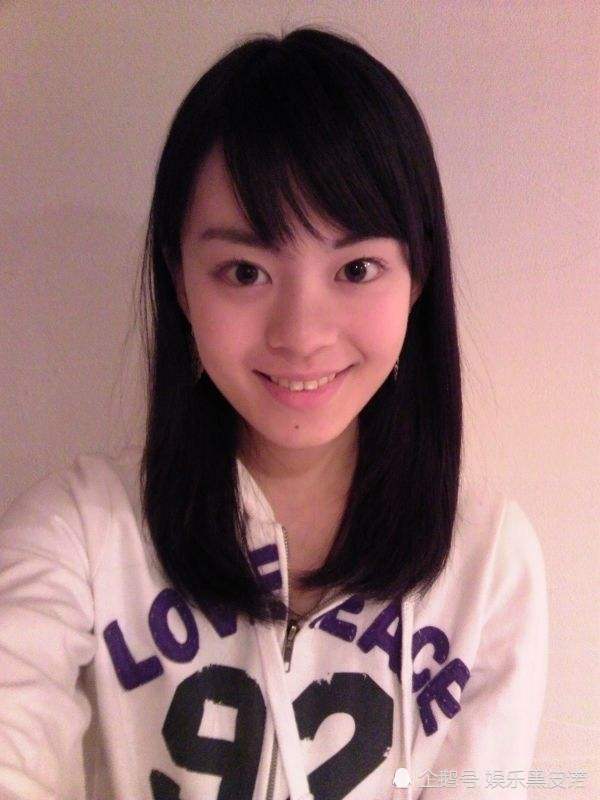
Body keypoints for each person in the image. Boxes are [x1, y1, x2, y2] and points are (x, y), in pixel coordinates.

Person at [0, 25, 548, 800]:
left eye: (356, 268)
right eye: (244, 271)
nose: (300, 335)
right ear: (181, 281)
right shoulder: (80, 535)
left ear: (417, 276)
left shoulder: (487, 563)